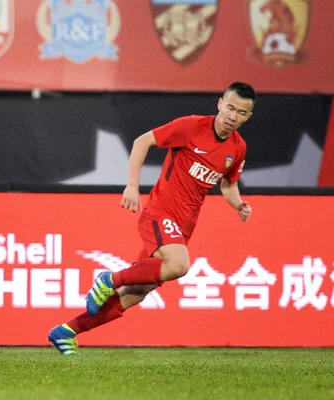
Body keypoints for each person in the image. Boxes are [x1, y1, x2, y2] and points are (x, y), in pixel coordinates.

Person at [48, 82, 255, 355]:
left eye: (241, 112)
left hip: (183, 226)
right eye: (230, 107)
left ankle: (67, 331)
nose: (233, 116)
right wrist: (132, 186)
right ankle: (108, 279)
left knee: (137, 292)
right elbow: (142, 141)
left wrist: (237, 203)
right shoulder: (191, 127)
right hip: (160, 213)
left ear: (247, 117)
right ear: (219, 103)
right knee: (179, 265)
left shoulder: (238, 148)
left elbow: (228, 185)